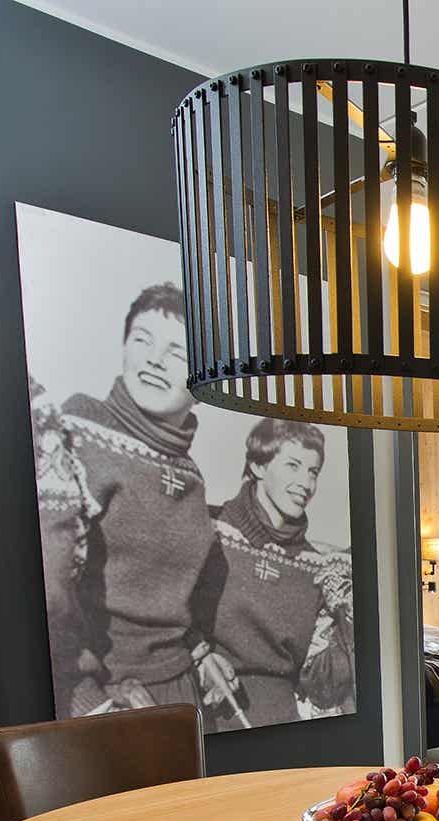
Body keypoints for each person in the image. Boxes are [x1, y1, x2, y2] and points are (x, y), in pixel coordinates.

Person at [36, 282, 225, 719]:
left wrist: (200, 652)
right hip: (109, 698)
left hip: (178, 686)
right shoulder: (78, 431)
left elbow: (165, 594)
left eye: (178, 353)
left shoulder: (190, 473)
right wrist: (87, 699)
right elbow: (44, 591)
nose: (155, 360)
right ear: (123, 348)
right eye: (142, 340)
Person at [201, 418, 357, 729]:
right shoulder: (208, 531)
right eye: (293, 466)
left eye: (313, 472)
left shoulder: (317, 566)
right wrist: (198, 658)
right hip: (207, 719)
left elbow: (320, 686)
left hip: (282, 724)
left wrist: (350, 622)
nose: (306, 483)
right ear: (258, 466)